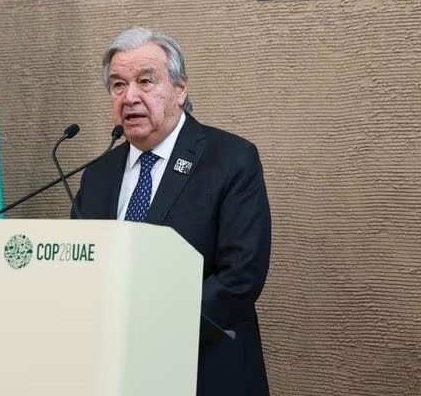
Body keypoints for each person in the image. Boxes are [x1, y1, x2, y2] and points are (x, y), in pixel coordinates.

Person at [72, 27, 272, 396]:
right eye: (118, 85)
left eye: (145, 81)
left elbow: (241, 274)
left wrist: (153, 328)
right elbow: (81, 267)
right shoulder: (99, 174)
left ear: (180, 89)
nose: (130, 97)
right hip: (115, 374)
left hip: (204, 370)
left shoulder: (230, 160)